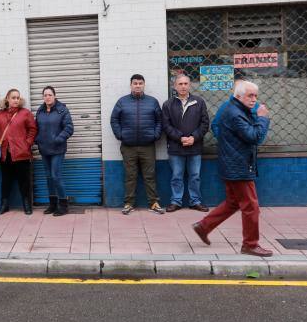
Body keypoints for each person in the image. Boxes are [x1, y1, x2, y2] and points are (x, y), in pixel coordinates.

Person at [191, 80, 273, 257]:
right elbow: (254, 136)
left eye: (255, 96)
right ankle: (250, 245)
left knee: (234, 202)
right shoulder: (235, 113)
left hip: (234, 163)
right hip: (238, 166)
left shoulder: (237, 110)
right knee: (251, 206)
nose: (254, 99)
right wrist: (263, 119)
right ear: (238, 96)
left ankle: (203, 227)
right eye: (250, 95)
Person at [110, 74, 164, 215]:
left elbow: (160, 121)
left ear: (144, 85)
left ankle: (153, 203)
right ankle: (128, 204)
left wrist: (155, 135)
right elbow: (114, 120)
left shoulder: (152, 102)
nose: (138, 85)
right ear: (131, 85)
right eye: (135, 83)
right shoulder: (122, 102)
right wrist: (121, 135)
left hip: (148, 146)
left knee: (150, 175)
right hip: (128, 146)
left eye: (140, 83)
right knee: (130, 176)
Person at [161, 74, 210, 213]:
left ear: (190, 85)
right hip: (176, 147)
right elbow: (166, 125)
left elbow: (205, 123)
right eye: (180, 84)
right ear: (175, 86)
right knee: (177, 175)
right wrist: (180, 137)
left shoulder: (199, 102)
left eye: (186, 84)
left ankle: (195, 201)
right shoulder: (168, 104)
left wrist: (194, 137)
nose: (183, 86)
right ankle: (176, 201)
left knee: (195, 176)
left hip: (195, 147)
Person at [0, 88, 37, 215]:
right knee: (6, 181)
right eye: (13, 97)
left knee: (24, 181)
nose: (16, 100)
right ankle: (4, 204)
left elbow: (32, 130)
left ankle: (26, 204)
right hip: (5, 154)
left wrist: (27, 144)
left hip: (22, 154)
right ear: (7, 99)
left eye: (18, 98)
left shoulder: (25, 113)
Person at [35, 86, 74, 217]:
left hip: (57, 149)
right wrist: (37, 139)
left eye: (50, 94)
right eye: (45, 95)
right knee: (48, 177)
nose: (47, 97)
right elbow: (36, 128)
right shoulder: (40, 111)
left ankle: (63, 205)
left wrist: (58, 139)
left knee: (56, 176)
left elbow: (69, 128)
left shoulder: (62, 110)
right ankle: (52, 204)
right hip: (44, 149)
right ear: (43, 97)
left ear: (54, 96)